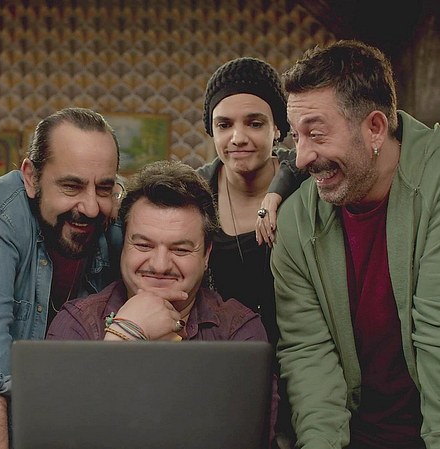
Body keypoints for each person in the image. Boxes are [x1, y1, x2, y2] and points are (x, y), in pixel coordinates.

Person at [272, 40, 440, 449]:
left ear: (374, 127)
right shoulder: (297, 221)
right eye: (296, 136)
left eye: (315, 134)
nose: (301, 158)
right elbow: (308, 353)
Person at [47, 160, 276, 443]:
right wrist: (124, 335)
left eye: (180, 250)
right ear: (123, 245)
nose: (159, 265)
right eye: (143, 245)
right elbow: (60, 437)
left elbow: (248, 439)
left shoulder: (239, 332)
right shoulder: (78, 325)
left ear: (206, 255)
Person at [0, 107, 122, 448]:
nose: (90, 207)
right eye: (71, 186)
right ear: (31, 177)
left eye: (104, 188)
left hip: (70, 422)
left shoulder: (115, 219)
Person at [197, 56, 307, 448]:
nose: (238, 137)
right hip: (221, 378)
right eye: (224, 124)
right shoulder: (195, 197)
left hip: (302, 372)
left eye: (254, 123)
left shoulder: (306, 191)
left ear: (278, 128)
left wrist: (279, 191)